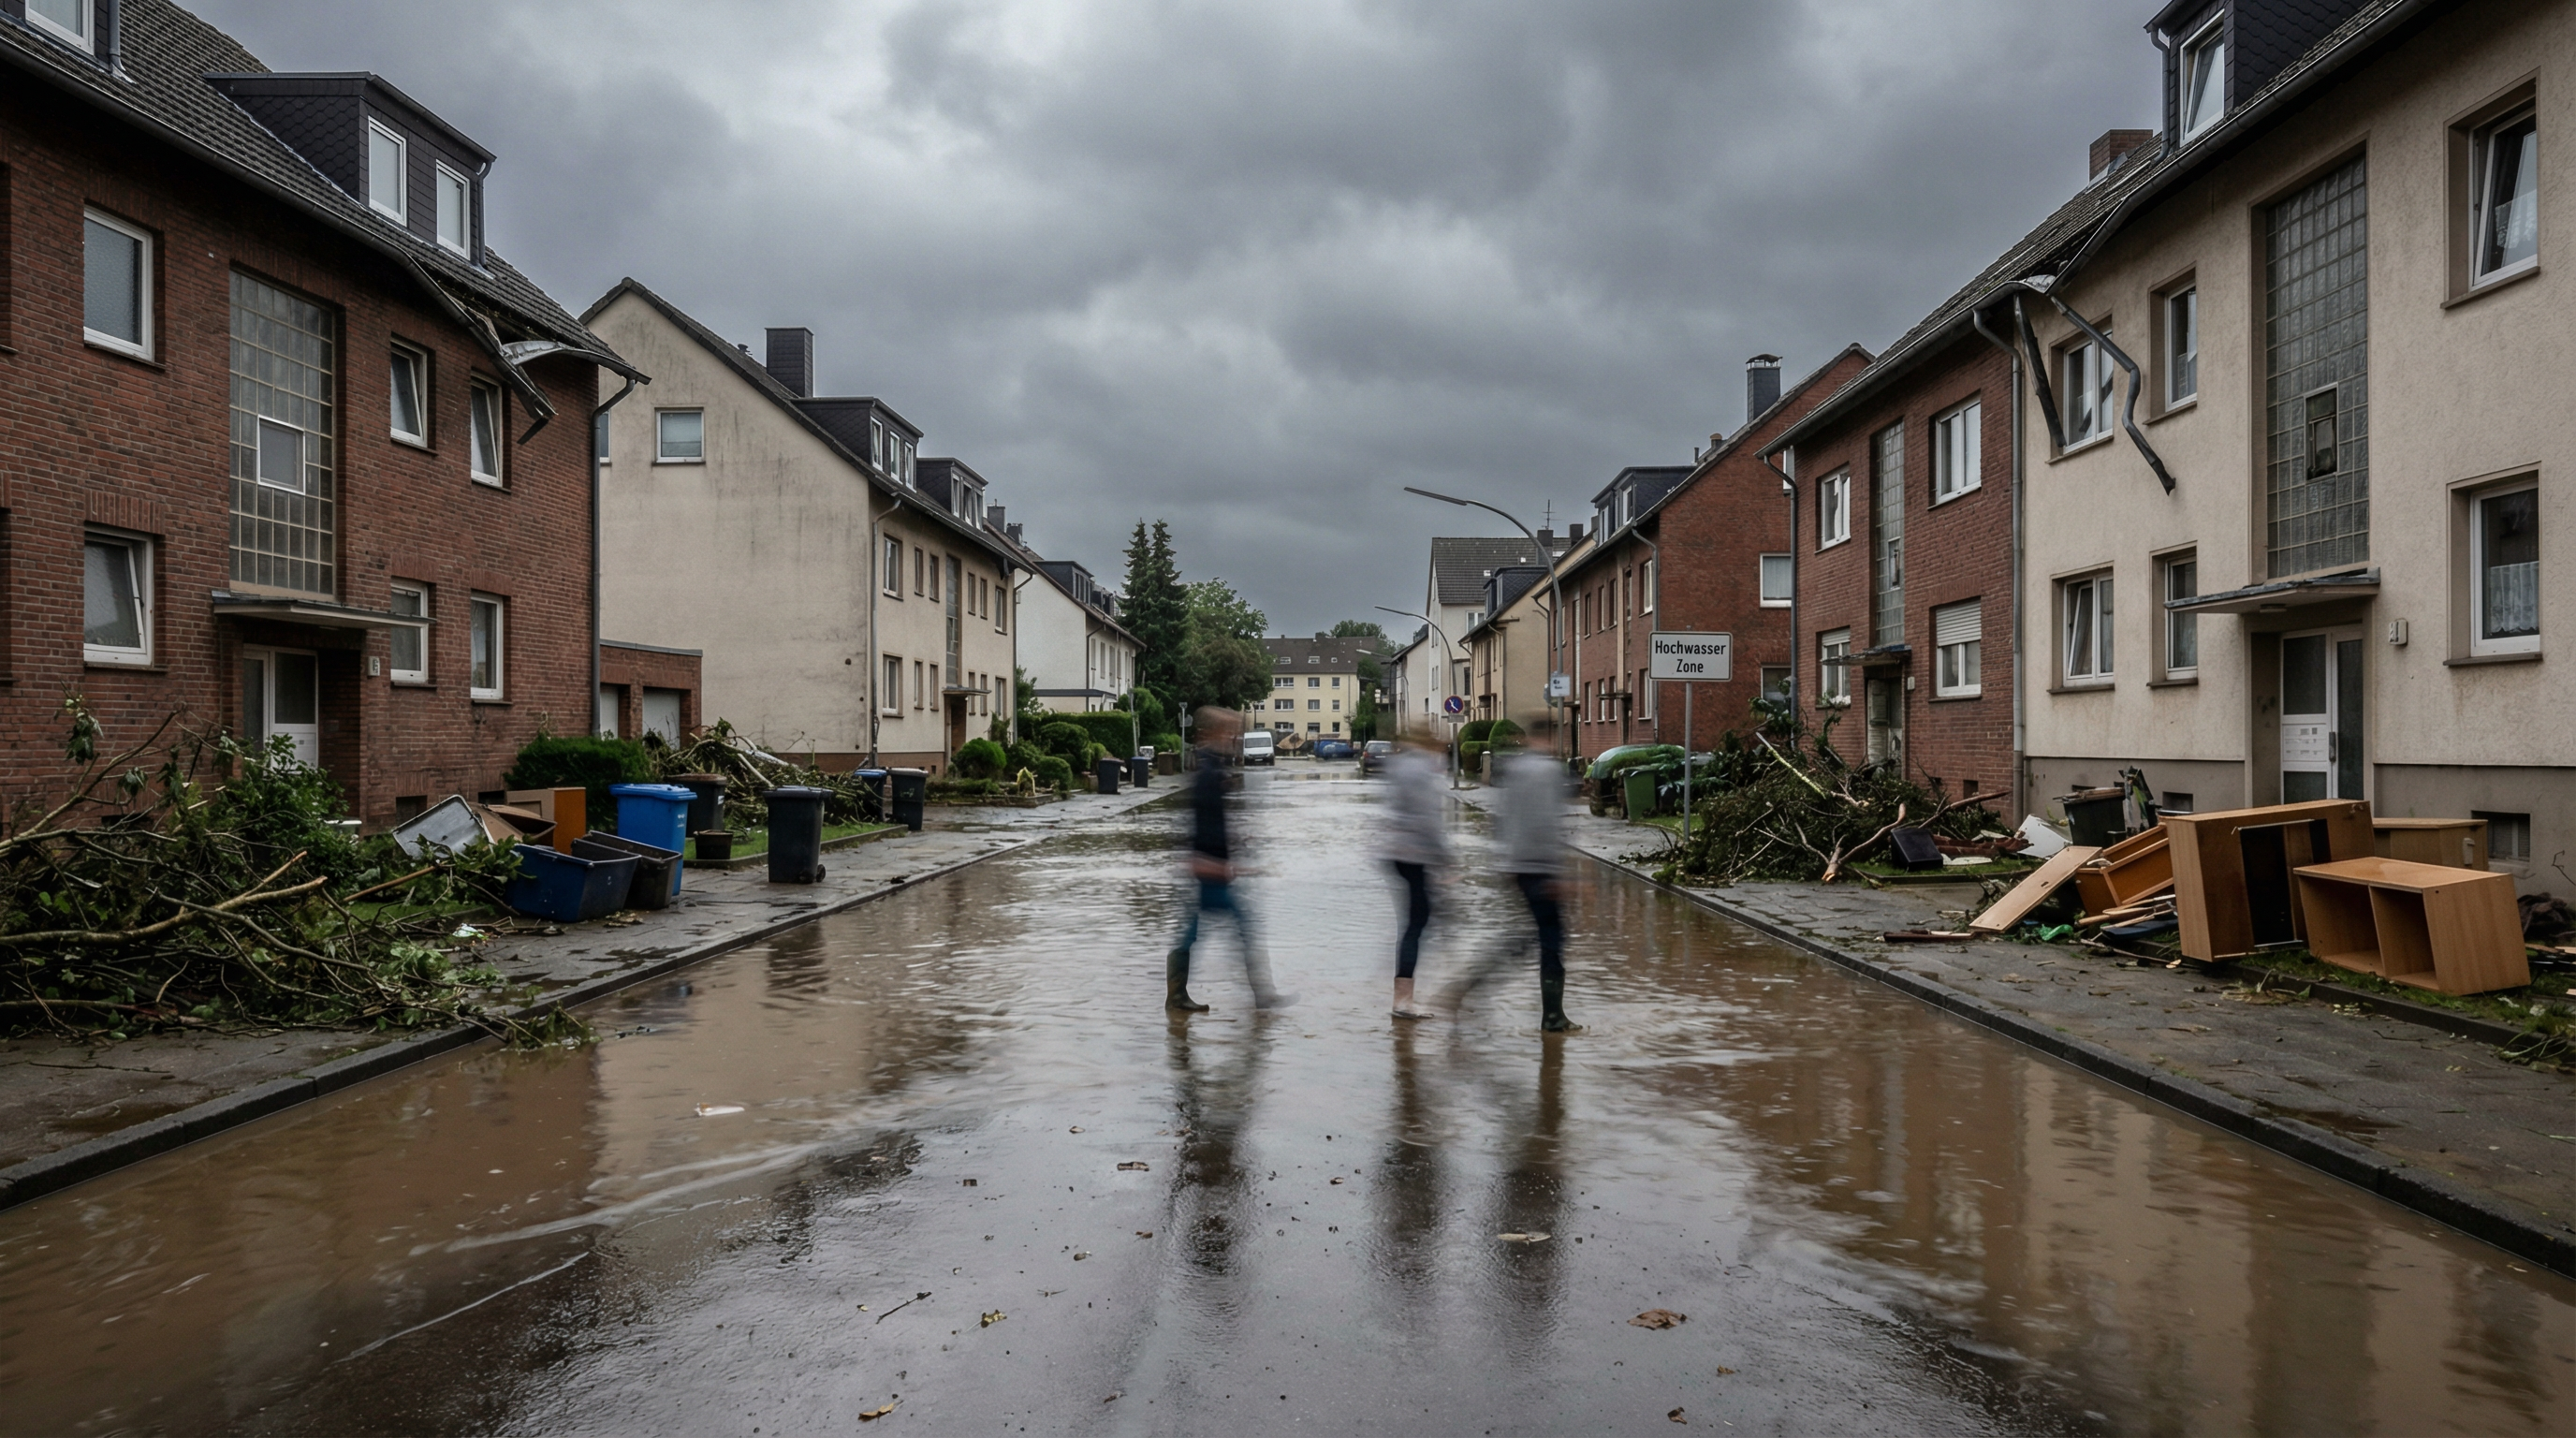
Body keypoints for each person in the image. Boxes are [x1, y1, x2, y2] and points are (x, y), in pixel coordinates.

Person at [1166, 707, 1293, 1012]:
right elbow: (1200, 825)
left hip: (1211, 867)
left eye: (1235, 731)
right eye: (1229, 731)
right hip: (1210, 869)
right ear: (1212, 734)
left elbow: (1212, 822)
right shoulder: (1208, 773)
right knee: (1241, 928)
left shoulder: (1212, 768)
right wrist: (1212, 863)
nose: (1234, 737)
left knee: (1195, 931)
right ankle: (1261, 995)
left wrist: (1236, 844)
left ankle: (1177, 996)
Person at [1493, 719, 1576, 1032]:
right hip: (1540, 865)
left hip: (1518, 864)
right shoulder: (1548, 771)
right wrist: (1557, 873)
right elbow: (1546, 824)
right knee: (1553, 938)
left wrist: (1507, 860)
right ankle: (1553, 1017)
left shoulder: (1516, 769)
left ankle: (1472, 984)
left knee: (1539, 936)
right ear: (1549, 737)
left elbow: (1501, 818)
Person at [1377, 734, 1450, 1019]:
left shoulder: (1399, 766)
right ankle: (1403, 1001)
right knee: (1416, 923)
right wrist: (1446, 859)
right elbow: (1428, 820)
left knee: (1414, 921)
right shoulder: (1421, 771)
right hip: (1413, 854)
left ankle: (1402, 995)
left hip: (1396, 853)